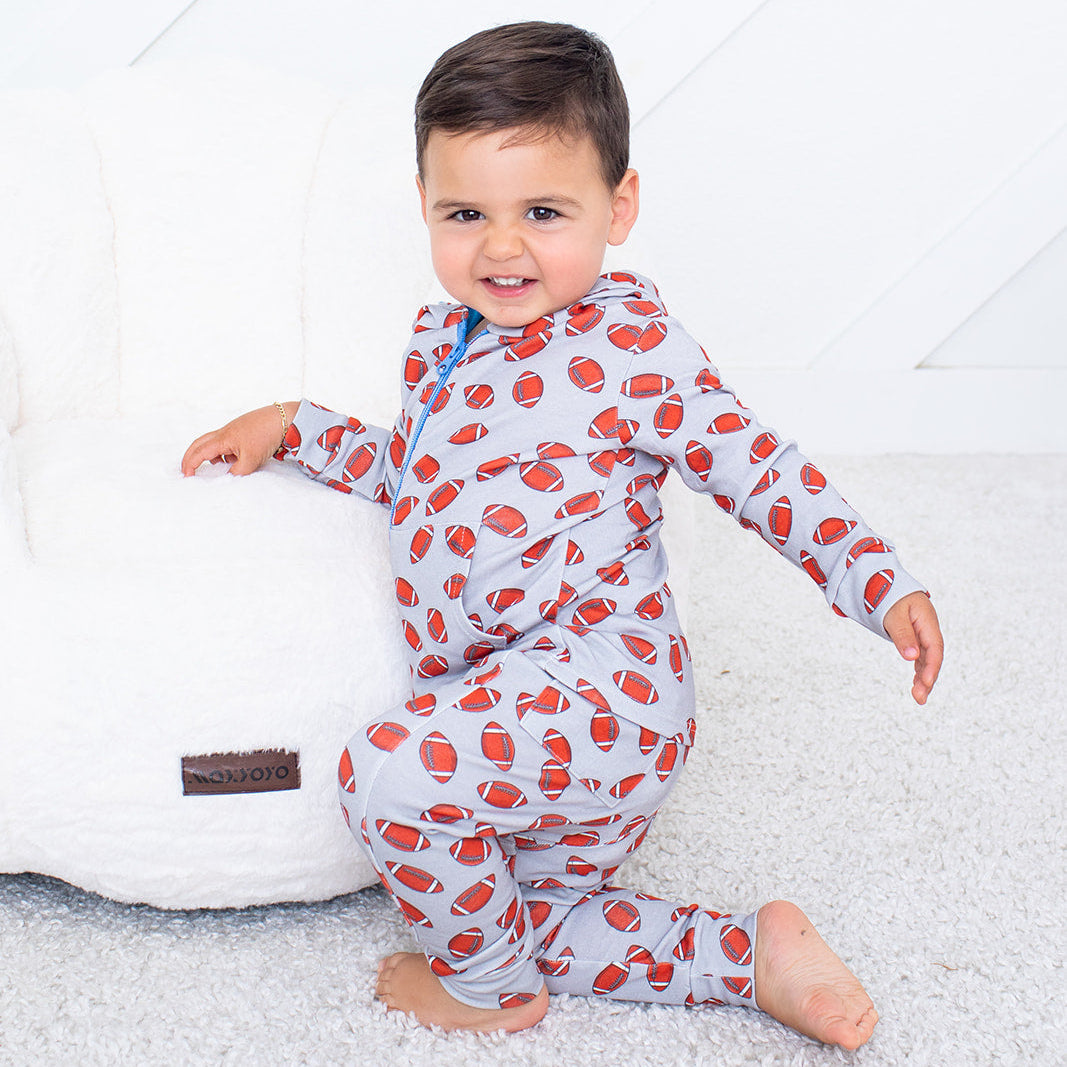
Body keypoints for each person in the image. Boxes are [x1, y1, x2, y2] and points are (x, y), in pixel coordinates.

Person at [181, 21, 943, 1049]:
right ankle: (749, 955)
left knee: (386, 774)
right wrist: (295, 429)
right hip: (512, 713)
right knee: (527, 916)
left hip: (599, 688)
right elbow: (414, 474)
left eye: (541, 211)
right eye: (464, 213)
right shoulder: (440, 340)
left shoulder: (630, 347)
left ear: (617, 206)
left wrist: (874, 577)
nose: (499, 246)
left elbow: (757, 466)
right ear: (422, 206)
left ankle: (488, 994)